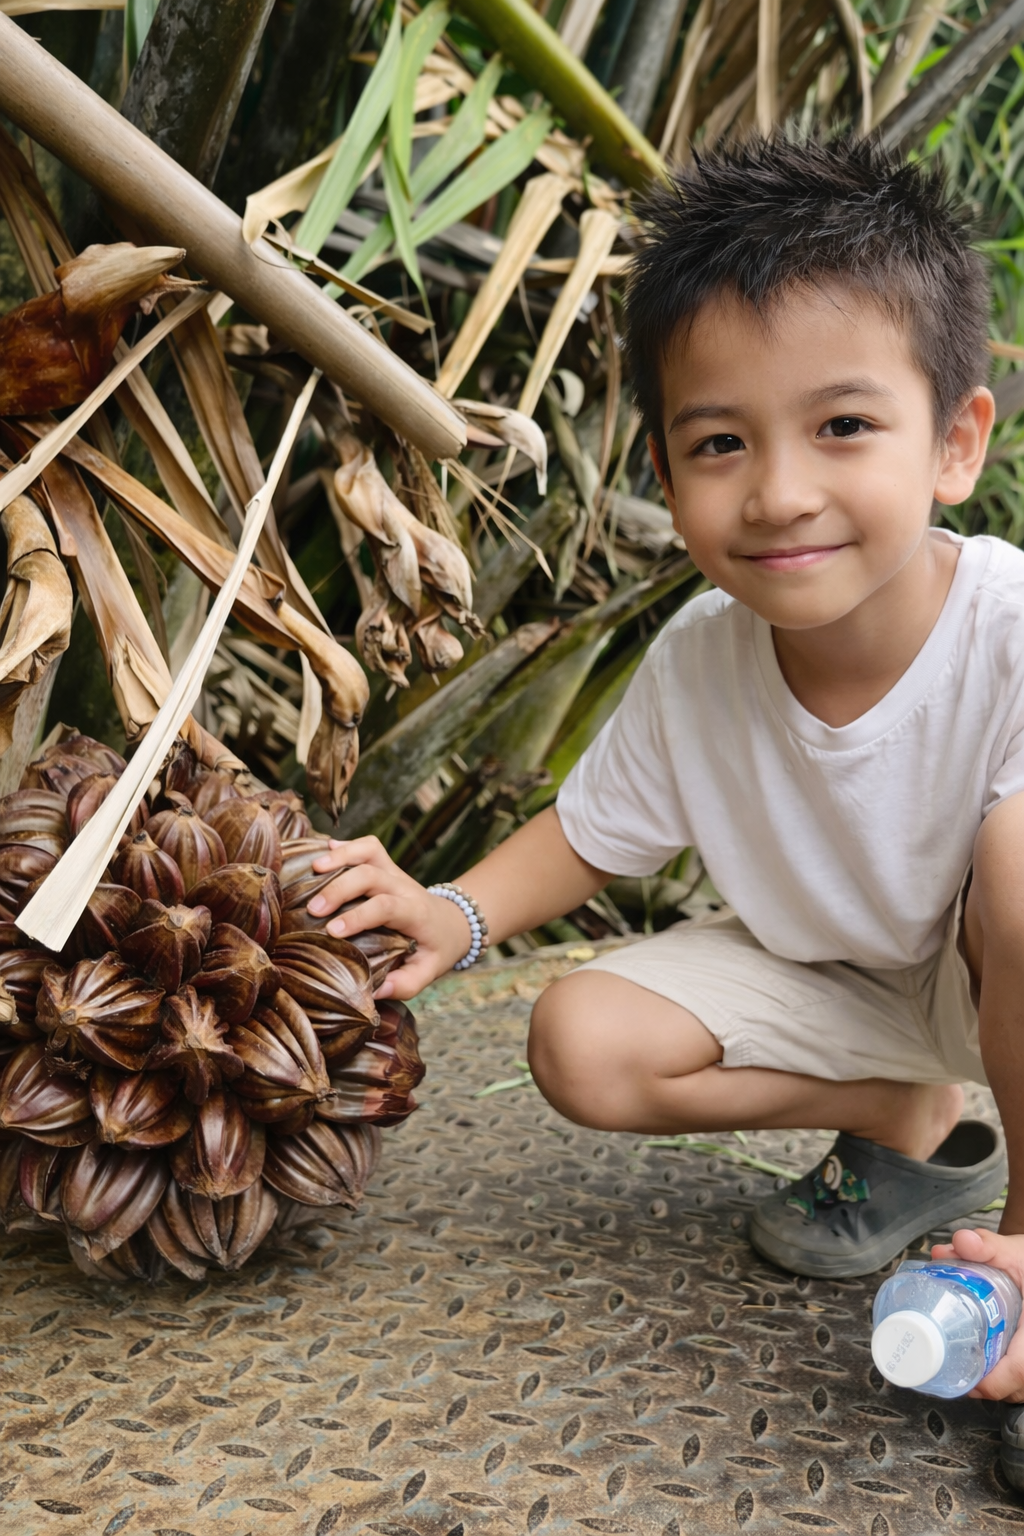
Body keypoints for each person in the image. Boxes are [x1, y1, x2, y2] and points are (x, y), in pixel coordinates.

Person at [308, 136, 1024, 1452]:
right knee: (580, 1040)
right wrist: (455, 912)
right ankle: (902, 1123)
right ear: (666, 469)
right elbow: (592, 833)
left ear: (955, 443)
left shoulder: (1009, 627)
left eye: (844, 426)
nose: (781, 493)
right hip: (860, 992)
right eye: (721, 442)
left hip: (1005, 972)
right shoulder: (703, 656)